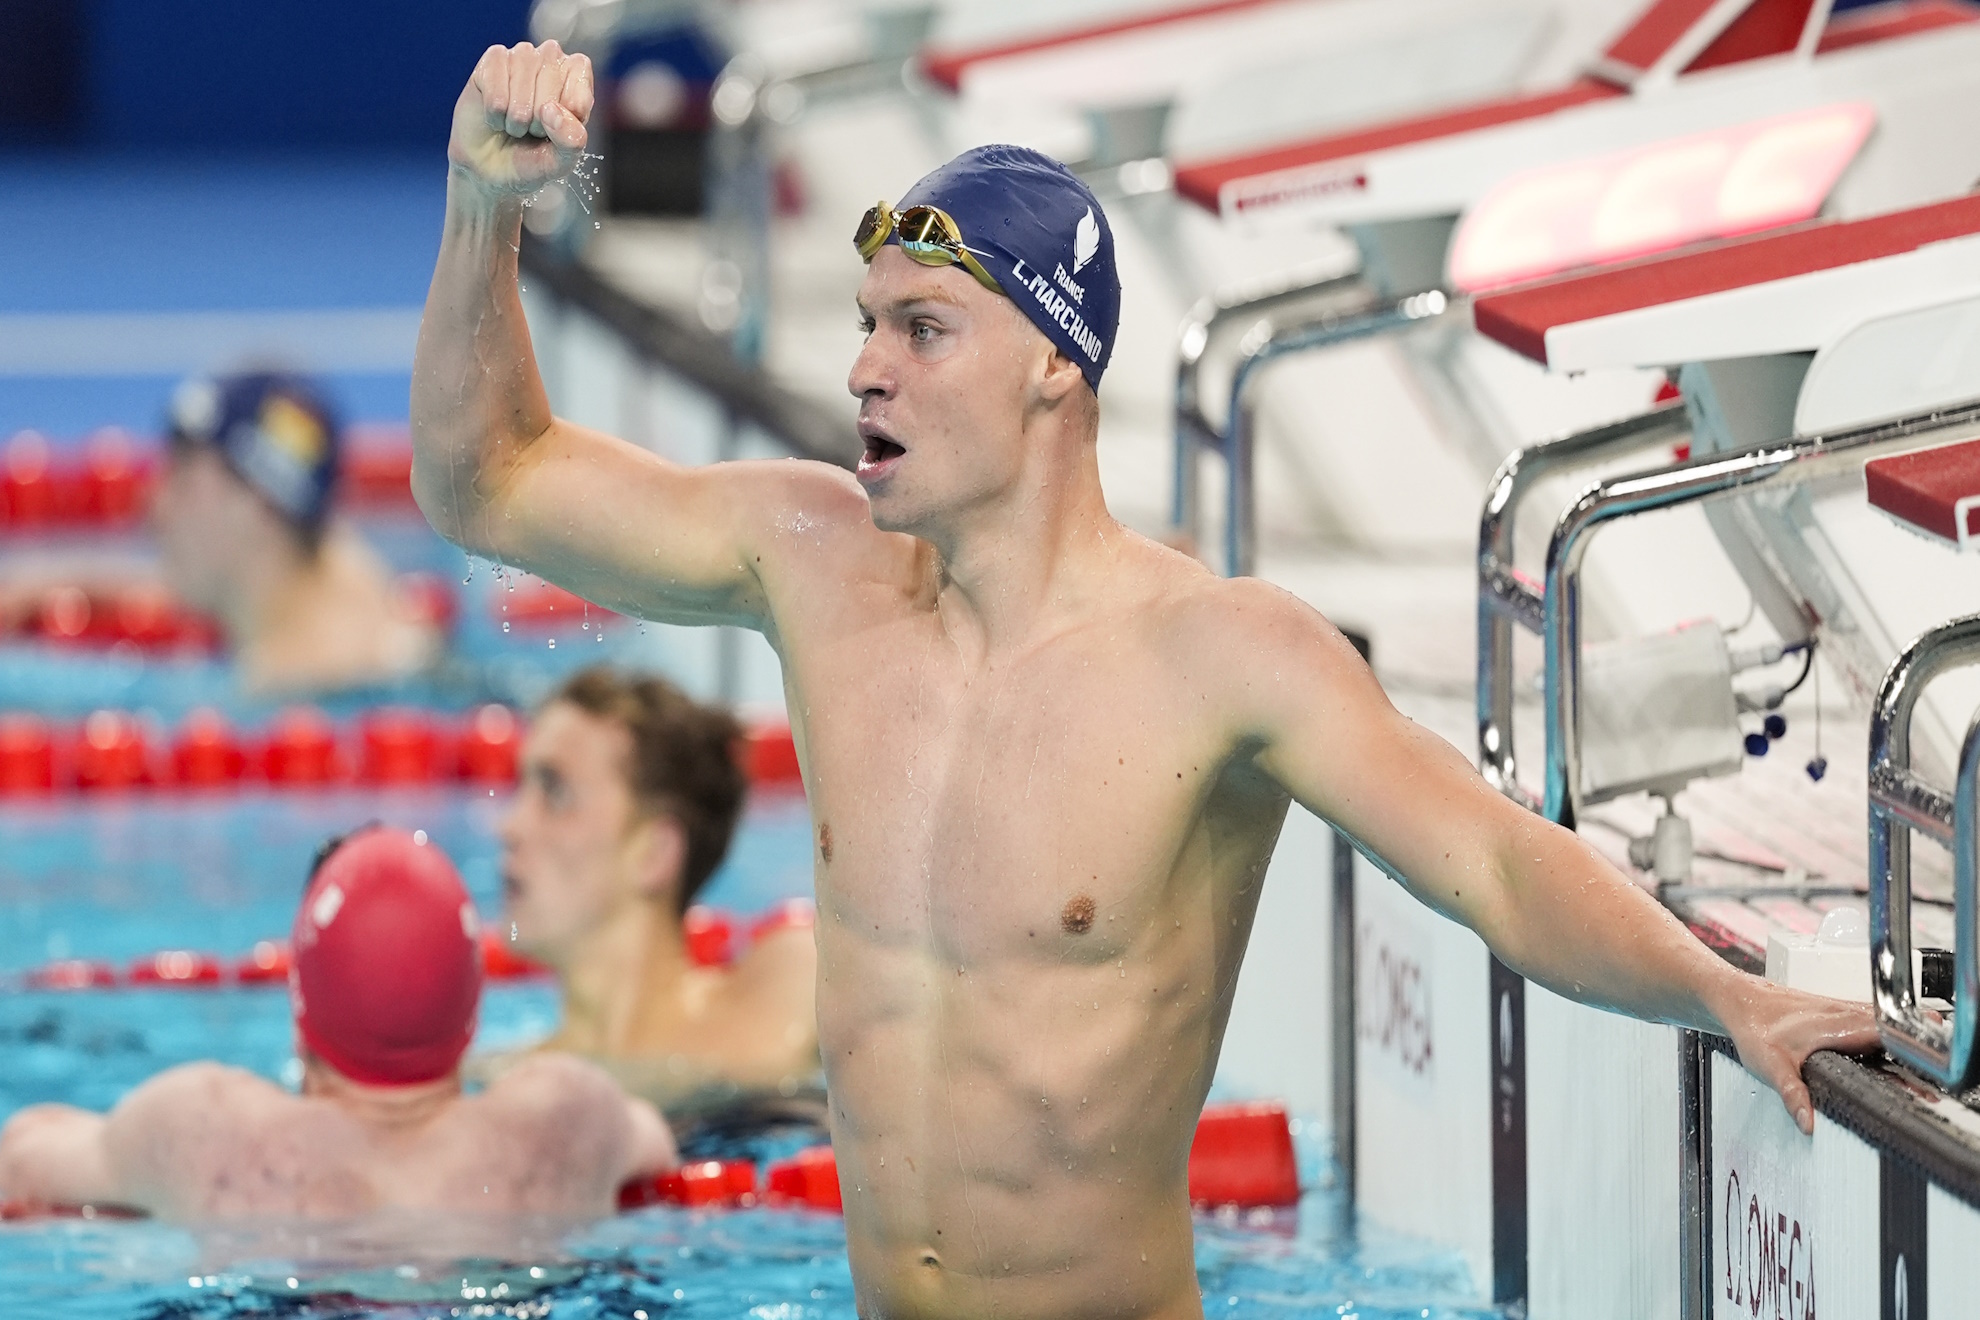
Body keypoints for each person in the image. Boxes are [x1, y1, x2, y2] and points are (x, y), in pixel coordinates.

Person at [412, 40, 1878, 1318]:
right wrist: (483, 211)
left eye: (923, 331)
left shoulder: (1216, 657)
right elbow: (487, 482)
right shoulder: (814, 565)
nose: (867, 368)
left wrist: (1722, 997)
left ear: (1058, 366)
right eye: (867, 324)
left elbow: (1491, 865)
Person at [0, 827, 675, 1223]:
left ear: (302, 1005)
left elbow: (22, 1160)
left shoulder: (205, 1129)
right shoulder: (567, 1116)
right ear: (472, 1007)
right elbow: (657, 1145)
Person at [495, 665, 819, 1116]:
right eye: (519, 788)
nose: (509, 826)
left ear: (654, 852)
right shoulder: (505, 1081)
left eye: (555, 791)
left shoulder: (789, 989)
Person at [153, 372, 441, 695]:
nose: (157, 508)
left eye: (184, 485)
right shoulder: (339, 563)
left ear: (257, 505)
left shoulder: (300, 681)